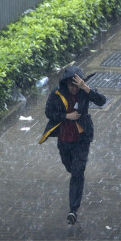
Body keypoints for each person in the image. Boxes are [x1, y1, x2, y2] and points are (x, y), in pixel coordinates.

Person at [39, 66, 106, 225]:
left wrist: (85, 87)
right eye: (71, 85)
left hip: (82, 139)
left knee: (77, 172)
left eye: (76, 85)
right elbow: (49, 112)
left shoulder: (84, 91)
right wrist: (66, 116)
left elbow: (102, 101)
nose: (74, 88)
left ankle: (73, 210)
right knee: (70, 167)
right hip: (64, 139)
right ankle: (76, 176)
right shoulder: (57, 94)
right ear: (66, 85)